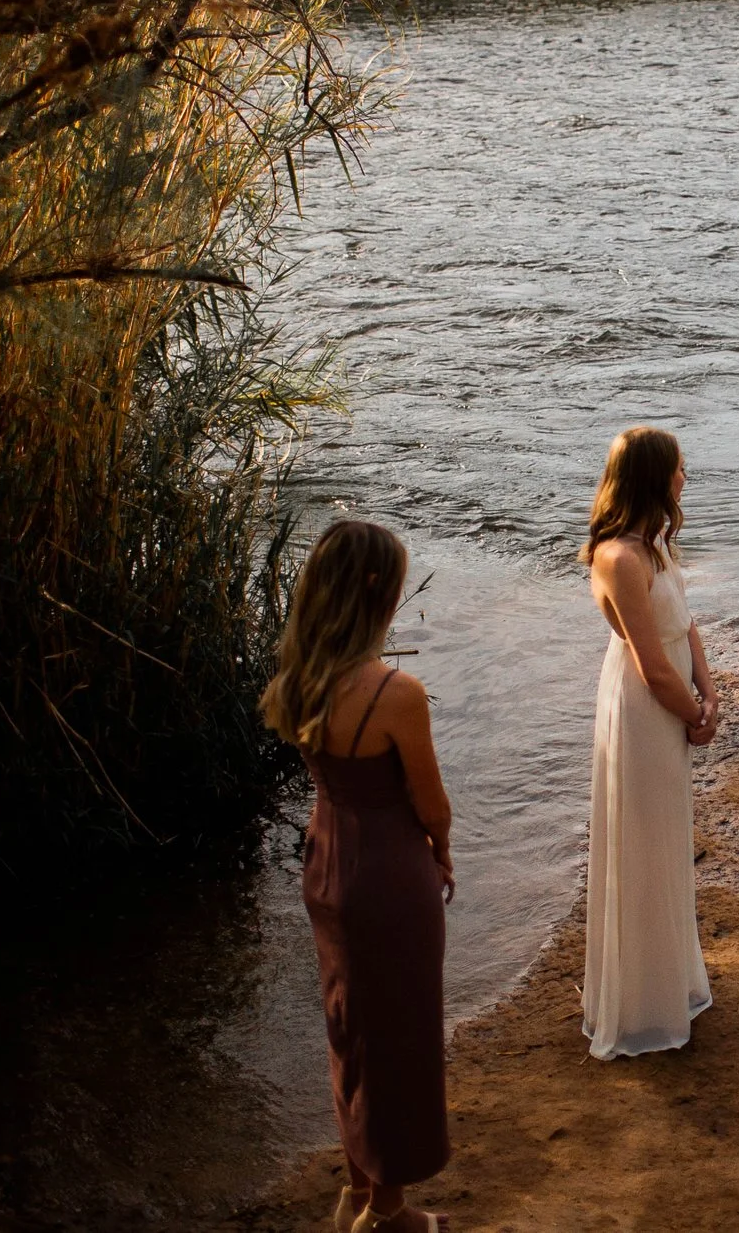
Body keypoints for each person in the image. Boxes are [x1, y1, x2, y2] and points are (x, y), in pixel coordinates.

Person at [260, 520, 456, 1233]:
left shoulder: (301, 677)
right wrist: (442, 850)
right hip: (387, 876)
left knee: (349, 1029)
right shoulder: (394, 692)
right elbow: (431, 805)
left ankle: (358, 1188)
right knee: (399, 1032)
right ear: (376, 591)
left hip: (327, 864)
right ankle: (389, 1211)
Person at [581, 426, 720, 1059]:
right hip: (643, 710)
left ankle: (669, 984)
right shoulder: (619, 558)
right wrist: (694, 713)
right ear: (652, 476)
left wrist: (710, 693)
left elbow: (685, 626)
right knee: (641, 842)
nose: (685, 477)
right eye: (679, 468)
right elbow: (650, 665)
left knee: (666, 840)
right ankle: (639, 1006)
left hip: (673, 704)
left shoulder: (655, 545)